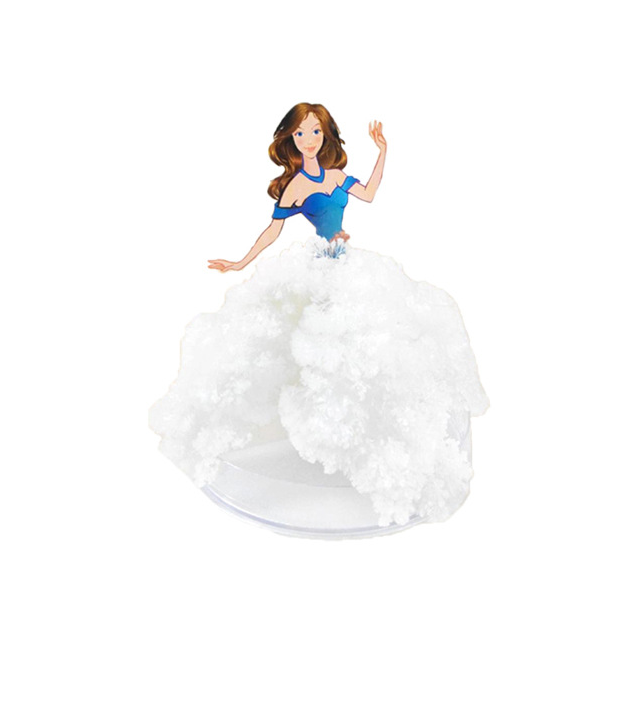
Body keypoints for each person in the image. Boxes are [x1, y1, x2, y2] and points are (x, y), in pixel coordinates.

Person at [150, 103, 488, 527]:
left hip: (349, 263)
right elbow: (273, 231)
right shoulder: (294, 187)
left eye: (314, 132)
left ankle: (378, 438)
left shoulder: (336, 176)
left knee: (376, 336)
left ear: (325, 135)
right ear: (290, 140)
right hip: (320, 266)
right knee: (317, 343)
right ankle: (313, 429)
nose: (308, 140)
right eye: (300, 134)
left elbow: (369, 194)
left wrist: (382, 151)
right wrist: (239, 262)